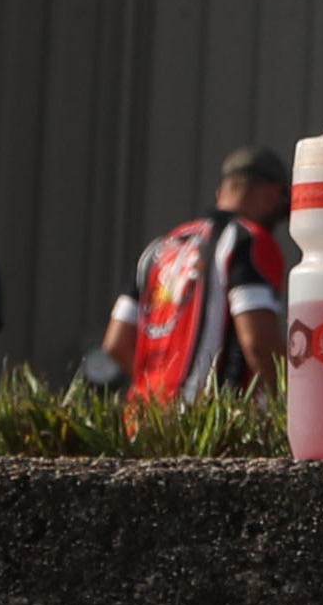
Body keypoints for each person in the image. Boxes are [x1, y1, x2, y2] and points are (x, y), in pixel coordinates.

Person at [104, 147, 292, 409]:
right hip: (207, 427)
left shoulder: (160, 248)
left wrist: (160, 390)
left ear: (221, 193)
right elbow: (258, 343)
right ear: (273, 194)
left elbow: (116, 344)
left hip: (143, 421)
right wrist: (291, 405)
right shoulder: (248, 240)